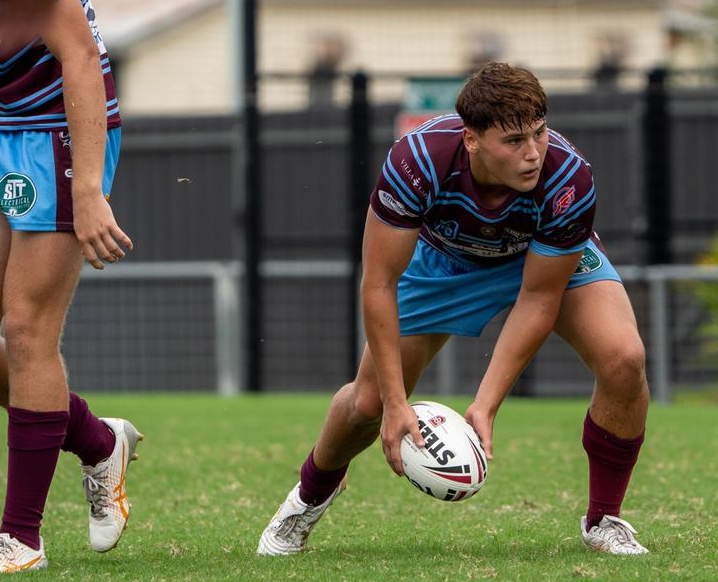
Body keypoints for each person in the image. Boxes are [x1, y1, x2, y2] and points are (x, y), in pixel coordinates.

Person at [257, 62, 651, 556]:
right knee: (367, 403)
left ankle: (604, 521)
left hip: (537, 261)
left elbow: (538, 298)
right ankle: (303, 503)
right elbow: (379, 283)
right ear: (472, 139)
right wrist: (398, 404)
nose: (532, 154)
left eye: (539, 132)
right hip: (444, 262)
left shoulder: (569, 176)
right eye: (513, 141)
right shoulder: (417, 159)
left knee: (625, 359)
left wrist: (484, 406)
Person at [0, 0, 140, 574]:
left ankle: (21, 539)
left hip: (56, 134)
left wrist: (88, 188)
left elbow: (81, 53)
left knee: (30, 328)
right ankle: (97, 440)